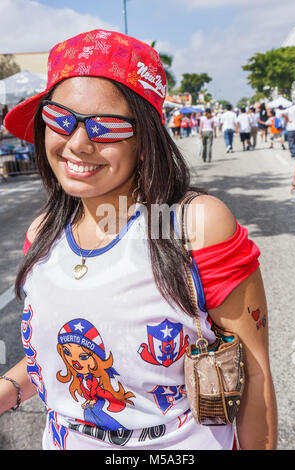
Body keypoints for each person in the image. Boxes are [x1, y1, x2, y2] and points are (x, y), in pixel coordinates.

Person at [1, 29, 277, 451]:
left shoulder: (192, 224)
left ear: (145, 141)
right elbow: (61, 358)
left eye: (105, 127)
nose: (78, 143)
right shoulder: (43, 232)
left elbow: (254, 372)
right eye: (60, 119)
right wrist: (9, 388)